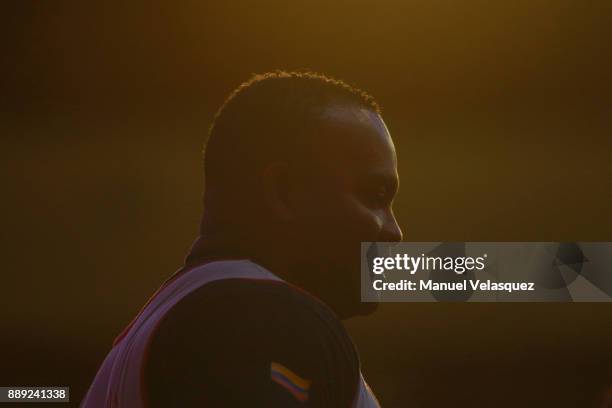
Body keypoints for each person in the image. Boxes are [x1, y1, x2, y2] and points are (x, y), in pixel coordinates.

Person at [81, 71, 403, 407]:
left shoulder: (174, 320)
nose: (394, 231)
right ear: (285, 192)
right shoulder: (261, 313)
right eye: (375, 196)